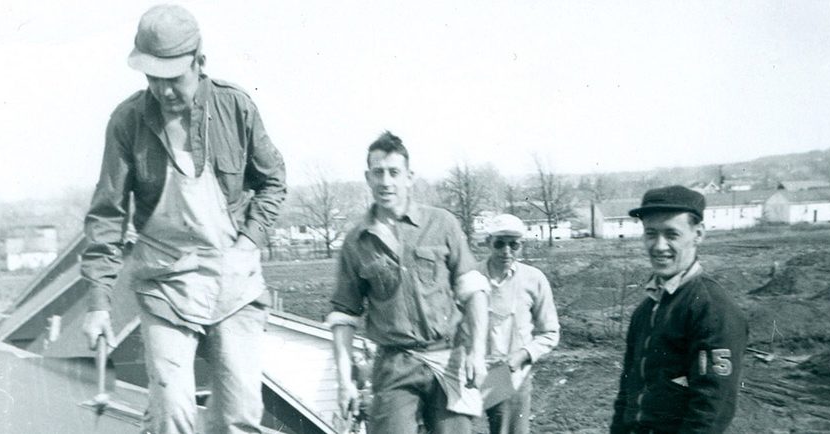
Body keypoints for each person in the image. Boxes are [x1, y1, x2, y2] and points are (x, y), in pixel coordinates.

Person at [80, 5, 287, 434]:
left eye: (173, 78)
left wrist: (250, 240)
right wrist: (99, 303)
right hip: (165, 283)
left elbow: (273, 182)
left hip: (234, 283)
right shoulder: (127, 122)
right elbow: (107, 215)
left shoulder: (236, 108)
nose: (163, 91)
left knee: (241, 415)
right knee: (172, 411)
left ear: (200, 63)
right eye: (152, 78)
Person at [327, 131, 489, 434]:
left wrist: (477, 353)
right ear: (368, 177)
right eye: (378, 173)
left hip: (448, 359)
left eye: (394, 172)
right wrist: (344, 381)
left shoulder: (442, 224)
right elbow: (343, 317)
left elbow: (475, 291)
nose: (386, 181)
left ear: (409, 177)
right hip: (394, 365)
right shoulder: (356, 241)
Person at [610, 186, 748, 434]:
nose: (659, 246)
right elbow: (627, 391)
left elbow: (712, 407)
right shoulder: (646, 309)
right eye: (650, 233)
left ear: (698, 234)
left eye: (671, 234)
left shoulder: (711, 309)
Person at [479, 214, 560, 434]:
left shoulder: (534, 279)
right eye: (499, 243)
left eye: (513, 244)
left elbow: (550, 332)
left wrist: (522, 355)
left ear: (521, 246)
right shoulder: (471, 278)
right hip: (471, 375)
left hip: (512, 377)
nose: (506, 251)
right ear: (488, 242)